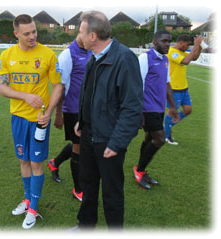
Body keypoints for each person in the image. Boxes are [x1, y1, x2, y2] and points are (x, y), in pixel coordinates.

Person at [73, 11, 143, 229]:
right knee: (88, 184)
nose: (78, 37)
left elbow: (132, 107)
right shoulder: (93, 58)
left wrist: (117, 142)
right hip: (88, 134)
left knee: (112, 191)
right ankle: (86, 227)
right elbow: (90, 93)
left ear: (93, 35)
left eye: (81, 33)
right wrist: (81, 120)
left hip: (109, 140)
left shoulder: (124, 59)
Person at [0, 14, 62, 229]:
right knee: (23, 160)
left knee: (36, 162)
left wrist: (50, 111)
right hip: (18, 118)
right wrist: (24, 96)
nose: (32, 36)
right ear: (17, 34)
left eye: (34, 31)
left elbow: (58, 86)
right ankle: (27, 200)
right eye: (27, 33)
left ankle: (33, 208)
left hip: (39, 120)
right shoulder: (7, 55)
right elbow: (2, 88)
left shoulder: (48, 55)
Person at [133, 30, 180, 190]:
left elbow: (167, 85)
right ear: (154, 42)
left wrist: (172, 107)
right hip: (147, 108)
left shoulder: (165, 60)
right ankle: (139, 170)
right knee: (159, 139)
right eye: (164, 41)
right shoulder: (145, 58)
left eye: (169, 41)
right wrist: (139, 111)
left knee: (148, 138)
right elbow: (138, 85)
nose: (167, 44)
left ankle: (140, 169)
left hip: (159, 107)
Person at [47, 34, 91, 202]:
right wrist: (59, 114)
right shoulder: (68, 54)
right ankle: (78, 189)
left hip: (86, 109)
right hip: (72, 110)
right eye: (87, 33)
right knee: (79, 149)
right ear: (80, 33)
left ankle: (55, 162)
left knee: (78, 144)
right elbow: (61, 86)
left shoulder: (89, 51)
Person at [164, 34, 203, 145]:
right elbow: (185, 61)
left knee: (188, 110)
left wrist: (199, 47)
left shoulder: (182, 52)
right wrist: (195, 46)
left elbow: (193, 57)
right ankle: (167, 135)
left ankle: (166, 126)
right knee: (172, 111)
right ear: (181, 43)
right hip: (174, 88)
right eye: (187, 45)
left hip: (184, 87)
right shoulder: (171, 52)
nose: (188, 47)